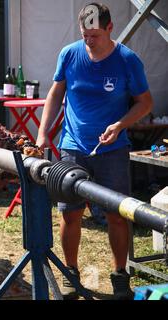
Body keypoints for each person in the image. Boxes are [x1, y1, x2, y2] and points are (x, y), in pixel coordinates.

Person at [36, 2, 153, 300]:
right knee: (70, 214)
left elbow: (145, 103)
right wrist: (42, 133)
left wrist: (120, 125)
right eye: (85, 35)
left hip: (112, 150)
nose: (89, 41)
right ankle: (70, 272)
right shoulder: (70, 54)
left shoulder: (128, 60)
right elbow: (55, 94)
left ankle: (119, 275)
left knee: (117, 215)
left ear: (110, 28)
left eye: (95, 36)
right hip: (72, 148)